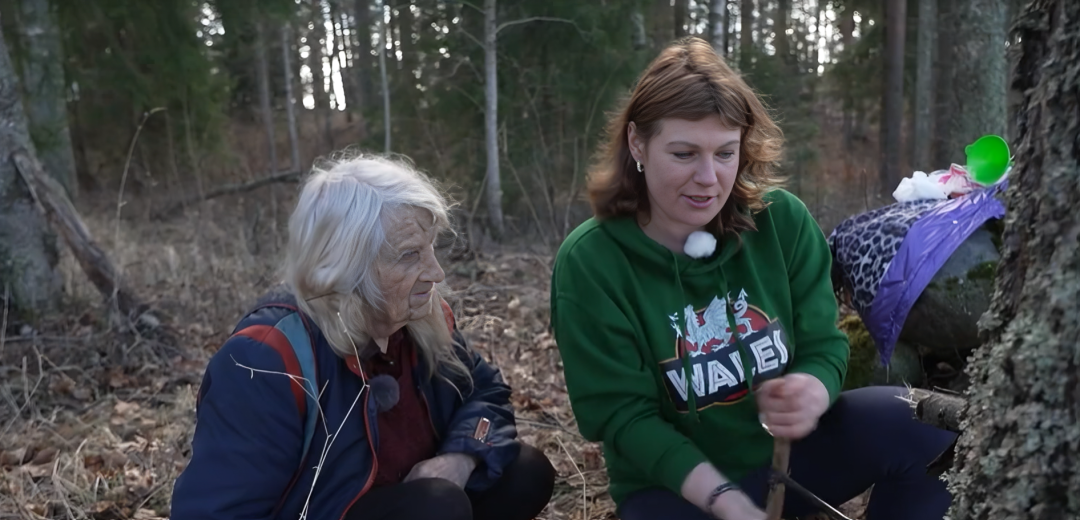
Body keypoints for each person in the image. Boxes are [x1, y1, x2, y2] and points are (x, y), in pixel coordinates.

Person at [549, 37, 957, 520]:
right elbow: (623, 418)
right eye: (684, 154)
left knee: (926, 429)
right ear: (638, 143)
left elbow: (823, 344)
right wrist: (724, 500)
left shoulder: (780, 222)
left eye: (725, 153)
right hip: (674, 483)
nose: (708, 177)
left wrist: (813, 386)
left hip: (792, 456)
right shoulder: (593, 262)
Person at [171, 154, 555, 520]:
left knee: (523, 471)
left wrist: (460, 458)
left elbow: (485, 393)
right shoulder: (268, 358)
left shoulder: (419, 320)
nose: (436, 273)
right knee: (436, 507)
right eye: (409, 255)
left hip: (415, 505)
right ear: (346, 266)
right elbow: (216, 510)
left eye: (430, 249)